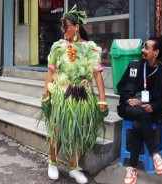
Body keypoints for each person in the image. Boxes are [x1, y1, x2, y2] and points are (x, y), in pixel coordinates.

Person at [41, 6, 108, 184]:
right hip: (63, 95)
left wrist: (102, 99)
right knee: (58, 130)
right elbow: (50, 72)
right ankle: (52, 163)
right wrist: (45, 94)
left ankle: (74, 168)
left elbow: (97, 74)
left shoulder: (90, 48)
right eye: (62, 27)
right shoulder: (58, 47)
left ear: (77, 27)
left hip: (84, 96)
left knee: (80, 132)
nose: (64, 31)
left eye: (67, 27)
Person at [117, 34, 162, 184]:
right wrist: (129, 100)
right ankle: (154, 153)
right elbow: (120, 87)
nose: (143, 50)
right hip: (130, 109)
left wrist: (154, 106)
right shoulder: (134, 66)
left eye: (146, 47)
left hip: (151, 113)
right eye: (143, 46)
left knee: (138, 125)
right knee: (140, 115)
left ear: (156, 52)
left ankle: (131, 168)